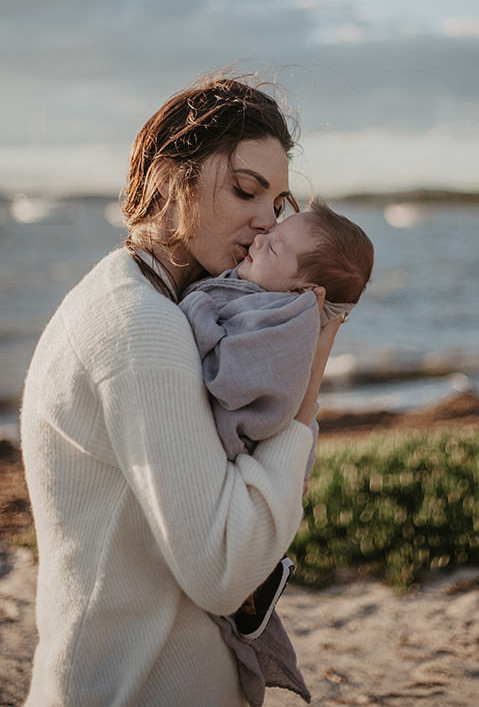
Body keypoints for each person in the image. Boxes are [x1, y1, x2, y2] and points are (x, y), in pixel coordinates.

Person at [21, 74, 341, 707]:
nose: (263, 222)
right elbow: (225, 571)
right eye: (246, 190)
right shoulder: (145, 328)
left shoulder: (131, 295)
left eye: (277, 204)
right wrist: (307, 386)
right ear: (171, 177)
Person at [180, 201, 374, 481]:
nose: (258, 240)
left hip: (232, 450)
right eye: (271, 233)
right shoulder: (263, 287)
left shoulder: (281, 321)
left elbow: (229, 375)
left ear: (303, 291)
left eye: (272, 248)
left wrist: (195, 306)